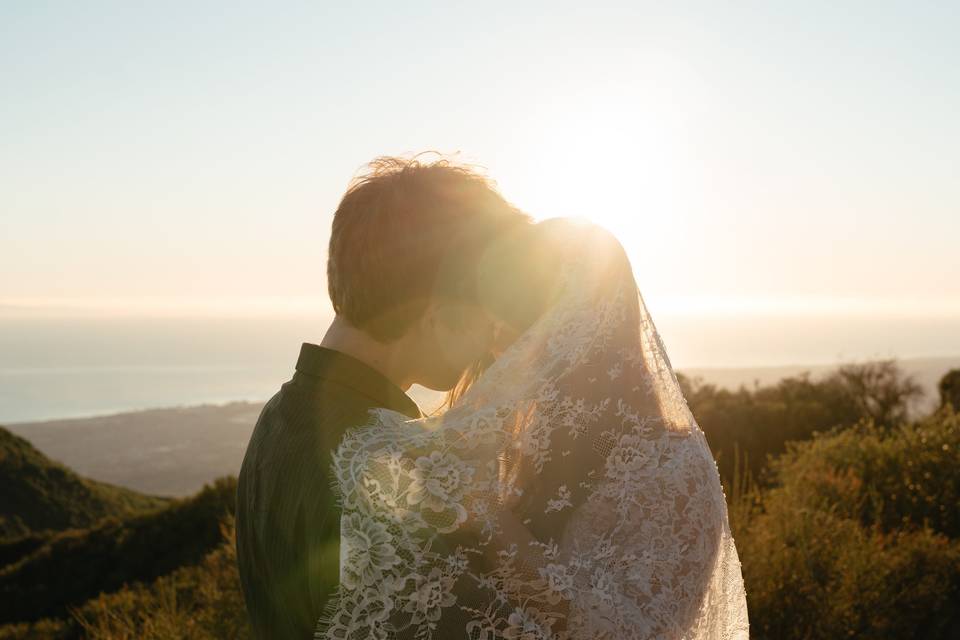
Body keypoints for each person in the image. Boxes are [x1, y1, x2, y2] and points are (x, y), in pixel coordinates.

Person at [315, 219, 751, 639]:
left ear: (580, 329)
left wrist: (490, 519)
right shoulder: (520, 436)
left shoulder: (672, 467)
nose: (498, 348)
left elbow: (629, 632)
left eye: (517, 327)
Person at [235, 155, 533, 639]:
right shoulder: (399, 466)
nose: (490, 340)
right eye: (487, 313)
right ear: (441, 311)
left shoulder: (276, 417)